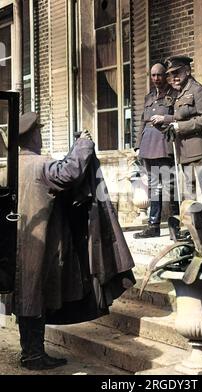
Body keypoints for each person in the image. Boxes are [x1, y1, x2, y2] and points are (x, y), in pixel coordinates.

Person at [14, 112, 135, 370]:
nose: (40, 137)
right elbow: (68, 173)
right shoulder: (39, 164)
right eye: (38, 132)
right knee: (34, 296)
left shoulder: (12, 166)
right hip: (39, 245)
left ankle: (29, 353)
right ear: (33, 136)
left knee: (26, 296)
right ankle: (34, 355)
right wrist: (83, 144)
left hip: (19, 246)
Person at [165, 55, 202, 215]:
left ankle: (200, 231)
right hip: (185, 151)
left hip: (198, 149)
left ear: (187, 70)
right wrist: (165, 121)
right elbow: (180, 116)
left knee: (196, 190)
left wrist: (181, 127)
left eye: (177, 72)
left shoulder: (197, 90)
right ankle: (193, 229)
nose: (174, 77)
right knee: (190, 191)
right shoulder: (181, 93)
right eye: (171, 74)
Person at [133, 63, 179, 238]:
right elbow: (142, 123)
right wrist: (138, 146)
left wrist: (165, 119)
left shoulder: (174, 95)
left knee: (170, 186)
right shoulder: (149, 97)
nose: (156, 79)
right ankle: (153, 226)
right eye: (153, 76)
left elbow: (180, 117)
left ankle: (175, 227)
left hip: (164, 146)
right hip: (148, 146)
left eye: (159, 75)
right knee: (153, 187)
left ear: (165, 76)